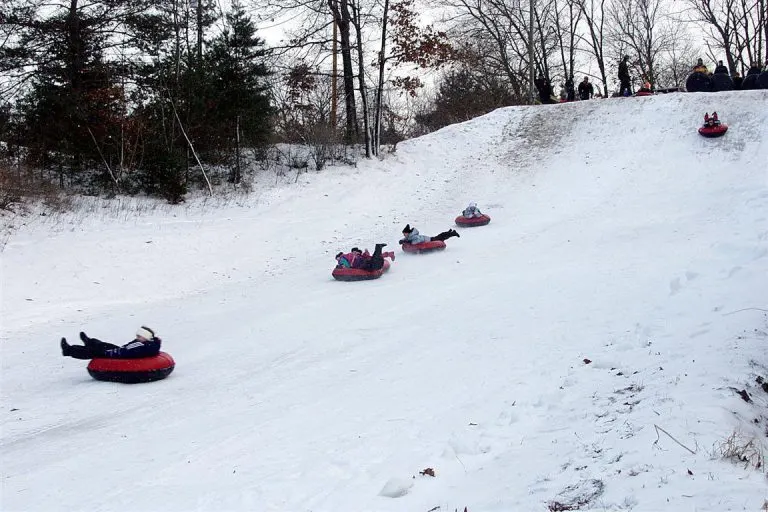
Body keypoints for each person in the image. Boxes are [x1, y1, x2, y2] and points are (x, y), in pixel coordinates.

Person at [61, 327, 161, 360]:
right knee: (105, 345)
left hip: (120, 356)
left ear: (146, 337)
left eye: (139, 336)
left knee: (94, 352)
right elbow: (129, 346)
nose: (137, 338)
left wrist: (110, 353)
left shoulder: (143, 345)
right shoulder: (146, 342)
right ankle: (90, 342)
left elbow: (128, 352)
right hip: (122, 351)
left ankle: (68, 350)